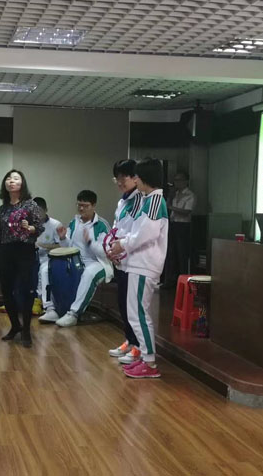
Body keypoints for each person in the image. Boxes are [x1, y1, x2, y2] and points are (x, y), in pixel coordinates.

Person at [108, 158, 169, 379]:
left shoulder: (154, 200)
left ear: (144, 178)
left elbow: (146, 234)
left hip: (144, 264)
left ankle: (149, 362)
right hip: (138, 263)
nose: (135, 180)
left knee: (139, 315)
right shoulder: (148, 199)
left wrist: (123, 244)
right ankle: (145, 357)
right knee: (136, 313)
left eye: (136, 176)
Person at [0, 169, 43, 347]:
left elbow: (39, 227)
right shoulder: (3, 208)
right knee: (6, 291)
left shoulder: (30, 205)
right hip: (6, 250)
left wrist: (29, 227)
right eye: (8, 178)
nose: (11, 181)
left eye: (15, 178)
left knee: (26, 291)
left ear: (22, 184)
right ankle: (15, 325)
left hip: (25, 250)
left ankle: (26, 330)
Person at [42, 190, 112, 327]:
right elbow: (68, 247)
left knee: (89, 273)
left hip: (98, 262)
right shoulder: (74, 222)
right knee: (45, 268)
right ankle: (50, 309)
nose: (81, 209)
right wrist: (63, 238)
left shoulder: (101, 225)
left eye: (85, 206)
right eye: (79, 205)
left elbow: (105, 253)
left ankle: (73, 314)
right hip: (75, 260)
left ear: (93, 205)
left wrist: (90, 241)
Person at [106, 160, 143, 364]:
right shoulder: (123, 201)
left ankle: (138, 345)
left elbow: (136, 231)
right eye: (117, 178)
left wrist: (121, 245)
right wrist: (111, 246)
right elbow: (117, 226)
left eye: (123, 178)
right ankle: (129, 340)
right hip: (120, 258)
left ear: (135, 178)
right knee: (122, 302)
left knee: (132, 306)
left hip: (133, 259)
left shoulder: (141, 200)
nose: (120, 182)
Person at [32, 197, 61, 320]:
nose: (37, 215)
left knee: (43, 271)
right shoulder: (29, 224)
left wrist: (42, 245)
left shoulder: (55, 225)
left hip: (49, 258)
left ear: (46, 210)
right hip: (32, 256)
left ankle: (46, 306)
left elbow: (61, 245)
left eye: (39, 212)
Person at [165, 171, 195, 288]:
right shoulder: (175, 194)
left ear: (186, 181)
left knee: (182, 253)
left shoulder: (190, 195)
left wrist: (171, 207)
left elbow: (187, 211)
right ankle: (171, 280)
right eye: (176, 180)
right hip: (173, 224)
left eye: (180, 180)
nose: (177, 183)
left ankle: (184, 281)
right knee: (171, 253)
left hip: (183, 226)